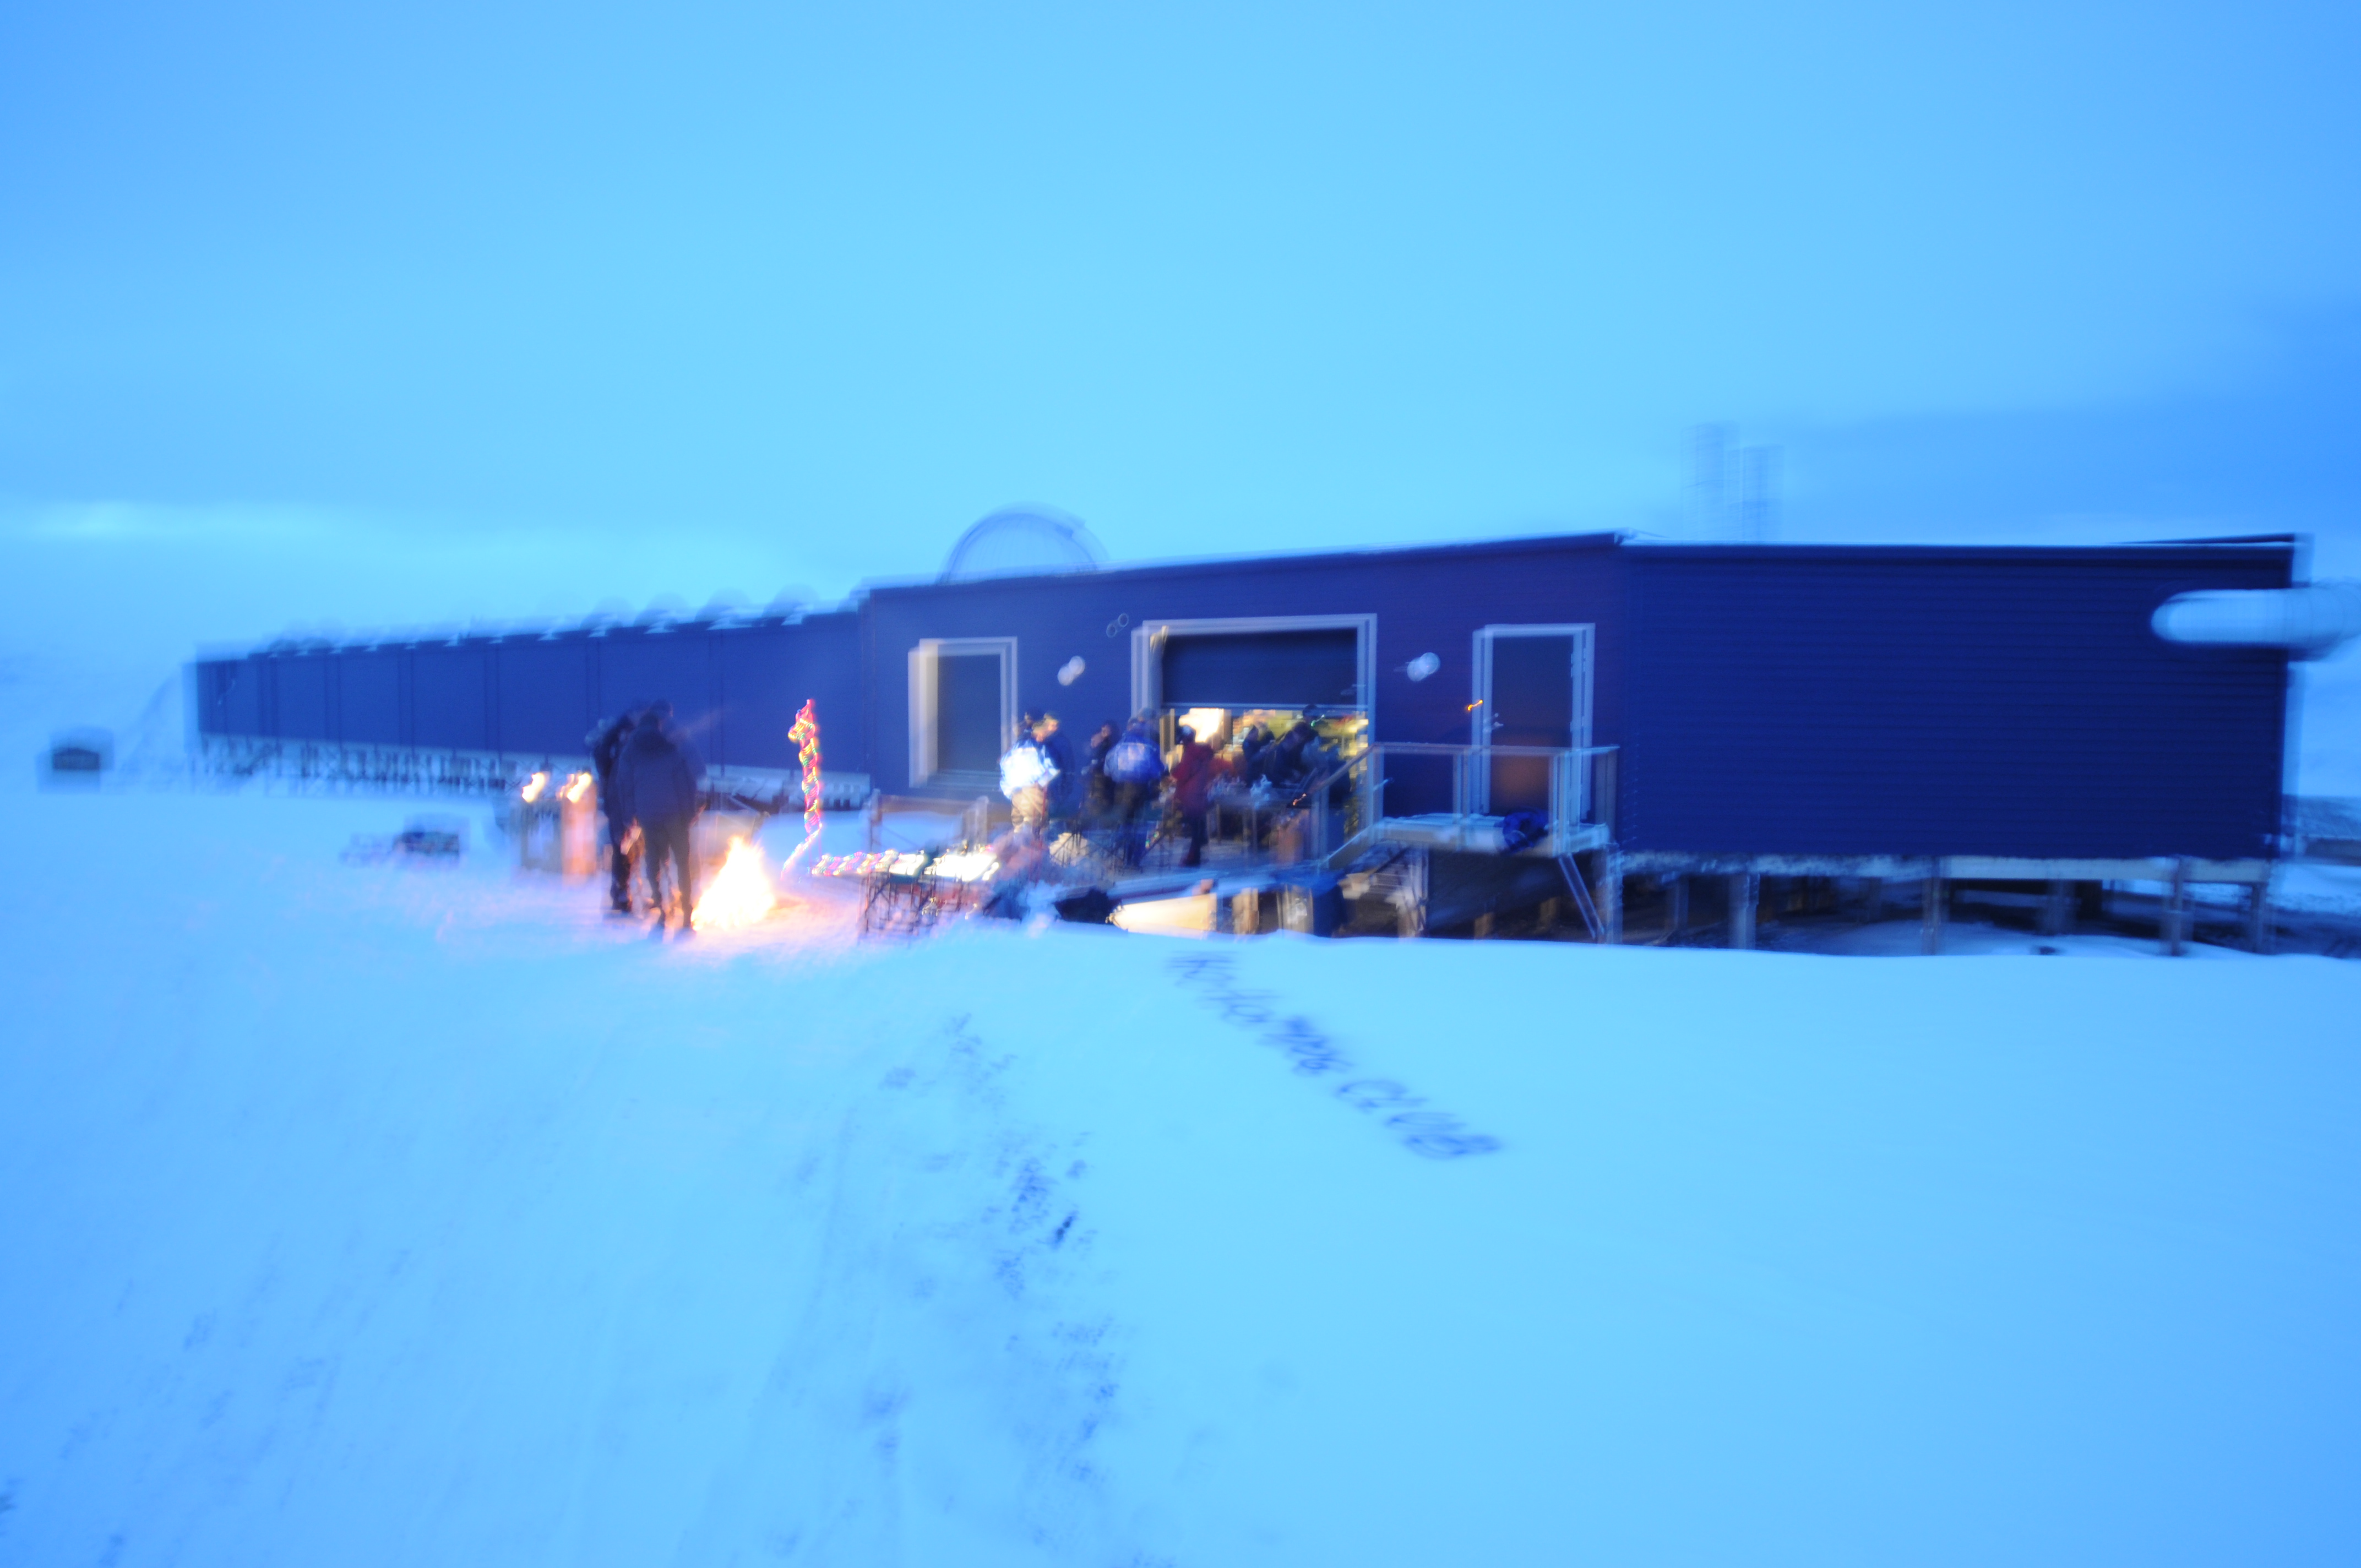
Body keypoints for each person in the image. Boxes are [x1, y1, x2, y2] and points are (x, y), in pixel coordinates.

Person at [614, 699, 705, 933]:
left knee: (654, 863)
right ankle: (686, 913)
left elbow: (624, 785)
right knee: (682, 863)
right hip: (675, 815)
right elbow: (685, 782)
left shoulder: (631, 750)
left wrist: (629, 815)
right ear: (659, 724)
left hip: (648, 815)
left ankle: (663, 910)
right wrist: (690, 812)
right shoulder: (669, 746)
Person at [585, 705, 643, 914]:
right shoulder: (626, 740)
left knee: (625, 848)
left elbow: (602, 761)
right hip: (622, 802)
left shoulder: (616, 738)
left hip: (615, 799)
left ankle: (621, 892)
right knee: (625, 848)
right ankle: (621, 894)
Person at [1102, 715, 1167, 866]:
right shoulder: (1150, 746)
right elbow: (1158, 771)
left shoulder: (1117, 747)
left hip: (1122, 791)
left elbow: (1107, 771)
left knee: (1125, 824)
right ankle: (1135, 859)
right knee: (1141, 825)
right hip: (1142, 790)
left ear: (1128, 728)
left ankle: (1123, 856)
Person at [1169, 722, 1228, 868]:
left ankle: (1193, 858)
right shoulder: (1204, 754)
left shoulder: (1190, 752)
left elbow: (1183, 773)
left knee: (1194, 828)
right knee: (1198, 827)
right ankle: (1196, 855)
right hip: (1200, 794)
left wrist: (1173, 771)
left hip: (1190, 796)